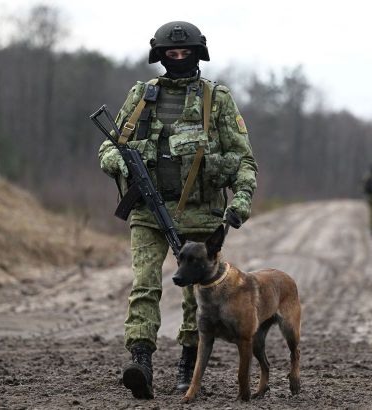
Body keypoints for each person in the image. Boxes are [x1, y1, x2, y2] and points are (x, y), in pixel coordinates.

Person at [98, 21, 258, 399]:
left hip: (201, 216)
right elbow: (108, 148)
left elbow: (243, 160)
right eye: (172, 52)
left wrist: (241, 202)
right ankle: (141, 361)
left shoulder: (216, 99)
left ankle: (189, 365)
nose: (179, 57)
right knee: (145, 285)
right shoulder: (141, 96)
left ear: (198, 54)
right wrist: (120, 163)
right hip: (148, 212)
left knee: (195, 296)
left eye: (185, 52)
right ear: (160, 55)